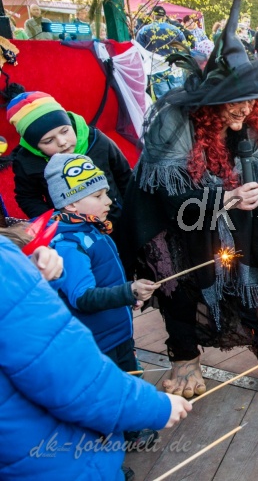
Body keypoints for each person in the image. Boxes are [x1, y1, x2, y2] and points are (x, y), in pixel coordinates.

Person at [121, 0, 258, 400]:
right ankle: (184, 356)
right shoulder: (175, 124)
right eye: (233, 100)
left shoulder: (251, 123)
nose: (244, 107)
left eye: (250, 98)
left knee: (240, 274)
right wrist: (227, 200)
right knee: (176, 281)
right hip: (166, 220)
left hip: (220, 216)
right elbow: (174, 207)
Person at [0, 234, 192, 480]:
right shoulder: (11, 267)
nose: (109, 201)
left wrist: (36, 278)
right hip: (55, 461)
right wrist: (156, 407)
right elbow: (80, 384)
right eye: (100, 195)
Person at [44, 153, 162, 450]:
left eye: (106, 192)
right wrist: (128, 291)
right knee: (109, 392)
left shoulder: (90, 229)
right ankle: (112, 448)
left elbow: (106, 281)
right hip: (99, 342)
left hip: (118, 334)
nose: (108, 200)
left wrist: (126, 295)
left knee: (129, 378)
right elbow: (83, 296)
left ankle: (132, 431)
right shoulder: (69, 244)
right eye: (98, 195)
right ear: (71, 203)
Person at [8, 91, 132, 235]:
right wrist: (54, 222)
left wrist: (133, 212)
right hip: (73, 231)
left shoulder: (97, 140)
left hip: (119, 218)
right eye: (48, 141)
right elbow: (27, 197)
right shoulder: (27, 162)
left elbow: (124, 176)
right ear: (35, 145)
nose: (62, 142)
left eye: (65, 131)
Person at [136, 5, 187, 98]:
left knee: (163, 98)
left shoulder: (144, 30)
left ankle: (166, 110)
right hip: (174, 65)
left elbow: (139, 49)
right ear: (164, 16)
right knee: (178, 94)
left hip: (156, 66)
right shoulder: (175, 30)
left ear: (152, 16)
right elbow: (184, 48)